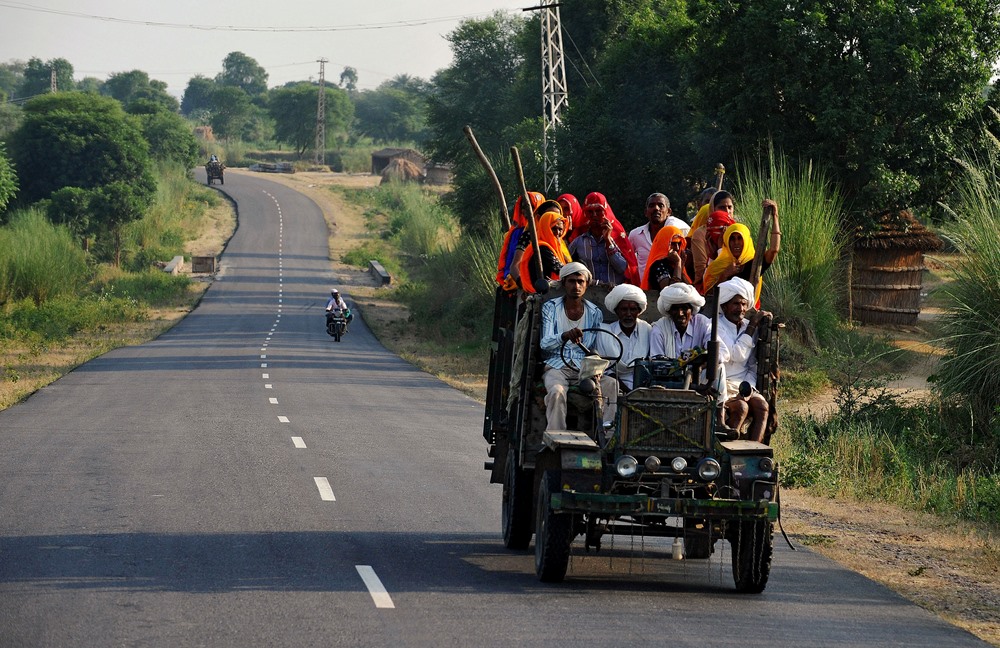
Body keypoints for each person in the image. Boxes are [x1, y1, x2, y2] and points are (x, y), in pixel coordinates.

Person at [539, 262, 619, 431]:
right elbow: (545, 343)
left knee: (611, 384)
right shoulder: (551, 307)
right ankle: (555, 437)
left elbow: (596, 347)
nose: (576, 285)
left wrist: (597, 369)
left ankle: (608, 434)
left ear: (586, 285)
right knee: (556, 392)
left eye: (580, 281)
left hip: (584, 368)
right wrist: (564, 336)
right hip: (556, 367)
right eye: (572, 281)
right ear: (563, 284)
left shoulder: (595, 312)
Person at [716, 277, 771, 442]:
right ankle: (727, 449)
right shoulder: (715, 327)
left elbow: (752, 364)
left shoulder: (748, 326)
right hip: (723, 385)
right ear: (724, 306)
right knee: (741, 407)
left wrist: (747, 390)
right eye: (735, 304)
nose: (740, 309)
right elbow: (736, 354)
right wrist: (753, 324)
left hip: (744, 385)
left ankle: (753, 453)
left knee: (762, 407)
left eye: (744, 304)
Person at [702, 199, 781, 302]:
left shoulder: (754, 263)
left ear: (746, 241)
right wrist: (725, 275)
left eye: (740, 238)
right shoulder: (718, 265)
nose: (736, 243)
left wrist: (775, 216)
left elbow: (774, 250)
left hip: (748, 313)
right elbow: (709, 296)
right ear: (726, 241)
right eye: (732, 239)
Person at [569, 192, 634, 286]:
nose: (594, 215)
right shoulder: (579, 241)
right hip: (589, 294)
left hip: (616, 293)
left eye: (598, 211)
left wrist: (608, 240)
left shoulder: (618, 237)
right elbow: (567, 266)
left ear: (606, 212)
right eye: (590, 212)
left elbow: (622, 268)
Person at [596, 284, 651, 390]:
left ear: (639, 312)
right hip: (613, 387)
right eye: (624, 309)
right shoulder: (605, 333)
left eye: (633, 309)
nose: (628, 314)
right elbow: (605, 369)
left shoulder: (647, 330)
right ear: (617, 311)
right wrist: (627, 391)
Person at [629, 193, 689, 277]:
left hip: (672, 286)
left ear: (668, 212)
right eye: (651, 206)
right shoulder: (635, 235)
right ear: (646, 212)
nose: (656, 208)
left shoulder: (678, 230)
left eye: (661, 205)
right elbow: (628, 260)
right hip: (644, 289)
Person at [518, 201, 572, 293]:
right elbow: (561, 270)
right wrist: (583, 275)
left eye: (560, 229)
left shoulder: (555, 246)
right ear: (545, 226)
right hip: (541, 297)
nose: (558, 233)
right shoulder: (542, 248)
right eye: (553, 228)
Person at [649, 282, 713, 359]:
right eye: (675, 309)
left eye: (684, 308)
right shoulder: (660, 329)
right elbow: (656, 362)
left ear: (691, 310)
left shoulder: (702, 323)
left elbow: (719, 353)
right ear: (669, 311)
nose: (680, 313)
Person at [501, 191, 545, 289]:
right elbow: (512, 264)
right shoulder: (518, 234)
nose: (526, 211)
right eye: (523, 207)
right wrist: (524, 285)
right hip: (522, 286)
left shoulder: (551, 232)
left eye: (531, 207)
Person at [641, 225, 692, 290]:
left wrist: (681, 268)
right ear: (664, 244)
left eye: (679, 243)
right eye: (673, 243)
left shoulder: (674, 263)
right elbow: (671, 291)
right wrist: (678, 263)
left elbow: (690, 290)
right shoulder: (658, 265)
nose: (677, 248)